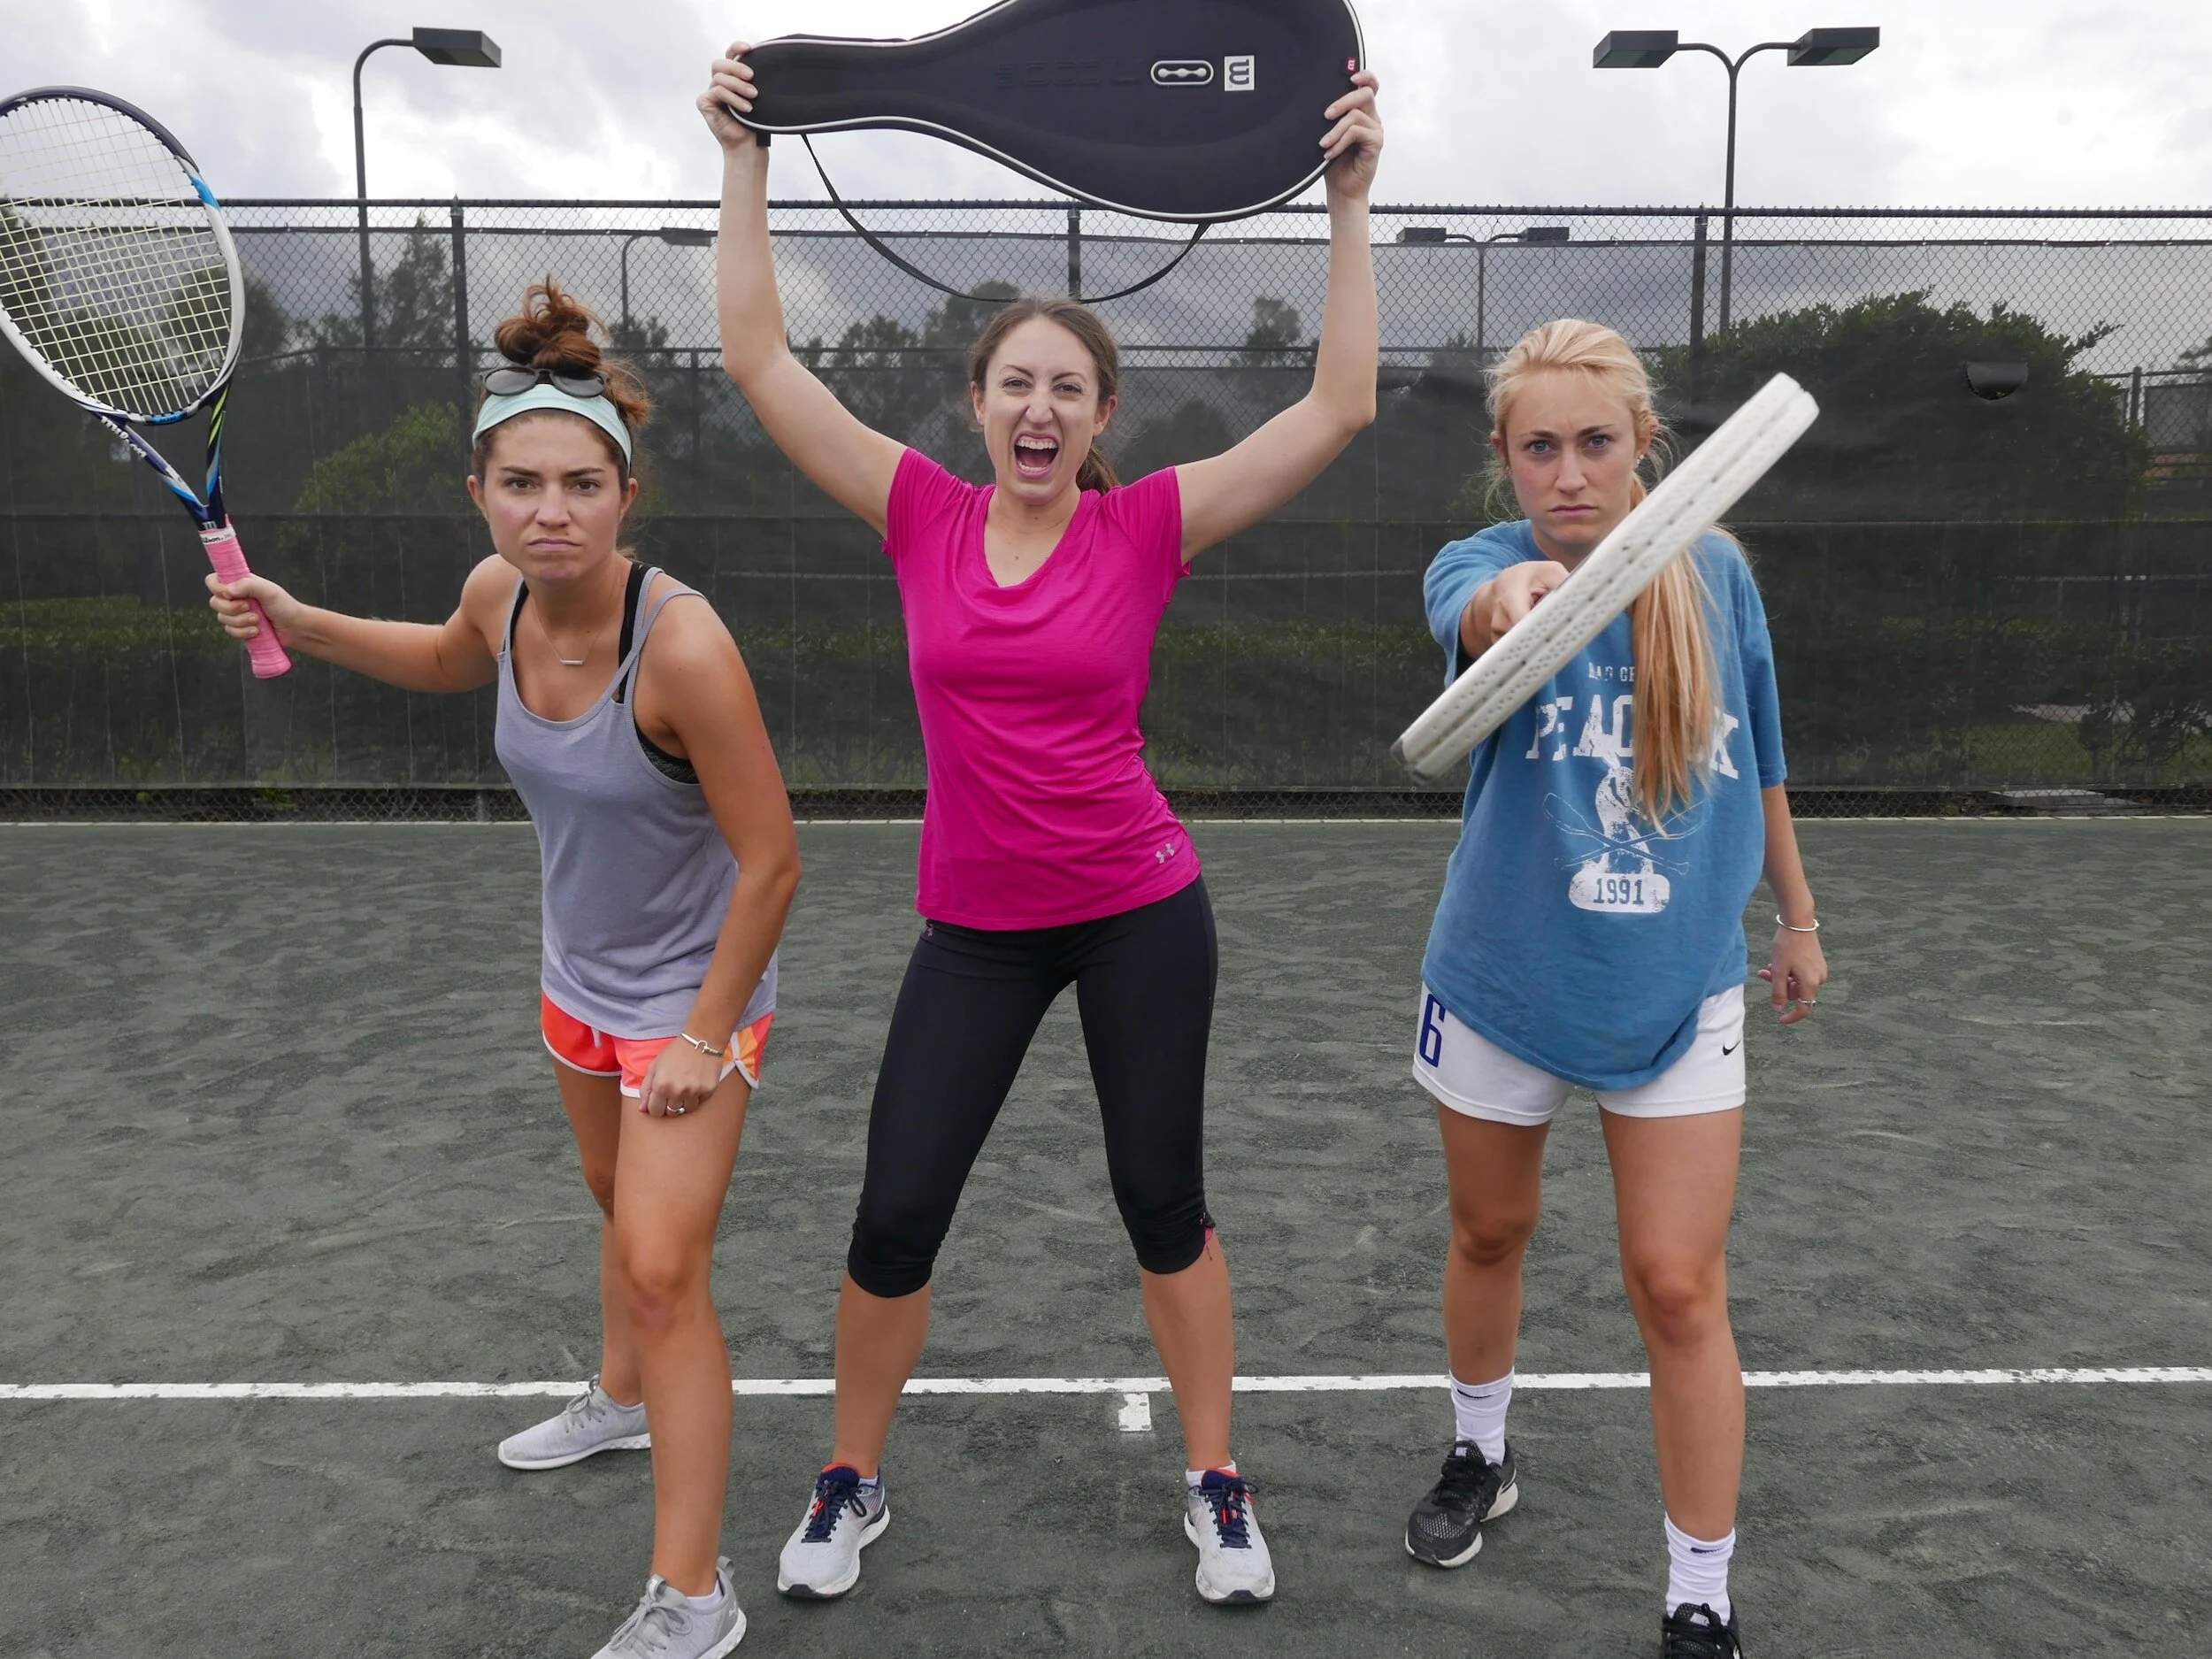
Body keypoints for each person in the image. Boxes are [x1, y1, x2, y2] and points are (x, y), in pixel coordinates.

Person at [697, 41, 1381, 1608]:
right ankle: (850, 1476)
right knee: (896, 1211)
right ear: (978, 400)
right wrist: (747, 160)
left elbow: (1339, 405)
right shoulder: (919, 513)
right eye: (1017, 381)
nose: (1040, 405)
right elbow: (759, 358)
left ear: (1099, 413)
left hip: (1141, 913)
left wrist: (1347, 200)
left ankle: (1216, 1480)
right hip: (975, 933)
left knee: (1163, 1203)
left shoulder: (1145, 527)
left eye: (1069, 387)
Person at [206, 282, 799, 1659]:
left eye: (582, 485)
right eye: (521, 484)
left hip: (690, 1004)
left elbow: (772, 862)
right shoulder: (499, 595)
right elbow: (441, 654)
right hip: (575, 982)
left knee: (664, 1269)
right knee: (613, 1203)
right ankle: (621, 1398)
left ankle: (694, 1593)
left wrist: (707, 1035)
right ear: (478, 492)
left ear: (626, 493)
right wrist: (297, 613)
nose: (551, 512)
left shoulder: (685, 645)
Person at [1397, 319, 1826, 1659]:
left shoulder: (1718, 575)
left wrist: (1799, 917)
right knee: (1489, 1232)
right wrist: (1519, 601)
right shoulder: (1479, 562)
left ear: (1646, 442)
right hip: (1503, 977)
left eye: (1597, 442)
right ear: (1504, 455)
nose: (1569, 473)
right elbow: (1474, 606)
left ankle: (1700, 1587)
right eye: (1540, 447)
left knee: (1678, 1285)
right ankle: (1482, 1452)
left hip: (1679, 987)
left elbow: (1762, 763)